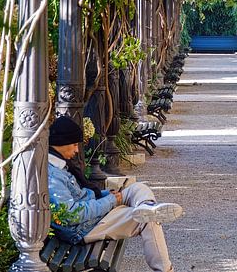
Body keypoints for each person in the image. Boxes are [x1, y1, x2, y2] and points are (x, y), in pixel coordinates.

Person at [47, 115, 183, 272]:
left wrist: (106, 195)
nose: (77, 149)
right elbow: (71, 215)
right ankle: (165, 269)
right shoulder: (53, 175)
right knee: (147, 220)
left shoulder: (58, 165)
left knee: (136, 188)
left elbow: (80, 197)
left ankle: (146, 206)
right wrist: (110, 201)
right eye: (74, 144)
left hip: (91, 220)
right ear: (61, 143)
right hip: (83, 228)